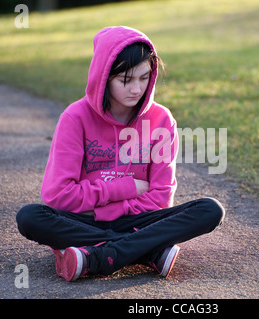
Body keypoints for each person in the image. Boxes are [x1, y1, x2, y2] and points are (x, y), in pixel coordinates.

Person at [16, 26, 225, 282]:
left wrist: (106, 205)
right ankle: (147, 251)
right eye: (125, 80)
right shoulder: (75, 118)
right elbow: (58, 195)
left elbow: (160, 198)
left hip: (136, 220)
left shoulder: (161, 120)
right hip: (85, 221)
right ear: (104, 77)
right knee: (30, 217)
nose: (136, 89)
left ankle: (96, 257)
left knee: (209, 210)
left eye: (144, 77)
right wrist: (126, 187)